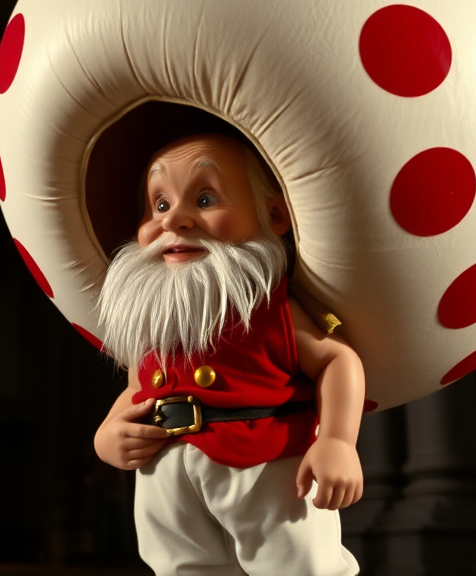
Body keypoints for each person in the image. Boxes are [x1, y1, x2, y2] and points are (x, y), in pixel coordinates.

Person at [94, 133, 363, 575]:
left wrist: (337, 440)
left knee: (296, 564)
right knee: (181, 566)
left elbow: (338, 360)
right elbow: (137, 392)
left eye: (204, 198)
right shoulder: (154, 322)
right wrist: (107, 433)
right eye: (159, 205)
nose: (174, 219)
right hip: (165, 473)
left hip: (264, 462)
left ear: (273, 214)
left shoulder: (269, 310)